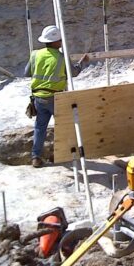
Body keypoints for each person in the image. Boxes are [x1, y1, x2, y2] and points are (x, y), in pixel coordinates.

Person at [25, 25, 88, 168]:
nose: (61, 42)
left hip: (38, 97)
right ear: (55, 42)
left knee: (40, 127)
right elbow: (74, 72)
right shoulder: (61, 57)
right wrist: (82, 62)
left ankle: (36, 157)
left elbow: (26, 72)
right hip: (56, 98)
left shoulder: (35, 54)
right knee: (64, 126)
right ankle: (61, 155)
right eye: (59, 40)